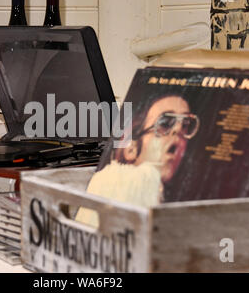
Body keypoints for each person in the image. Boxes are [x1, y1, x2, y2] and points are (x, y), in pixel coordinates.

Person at [75, 93, 199, 227]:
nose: (178, 130)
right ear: (131, 148)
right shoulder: (131, 180)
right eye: (165, 123)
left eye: (186, 124)